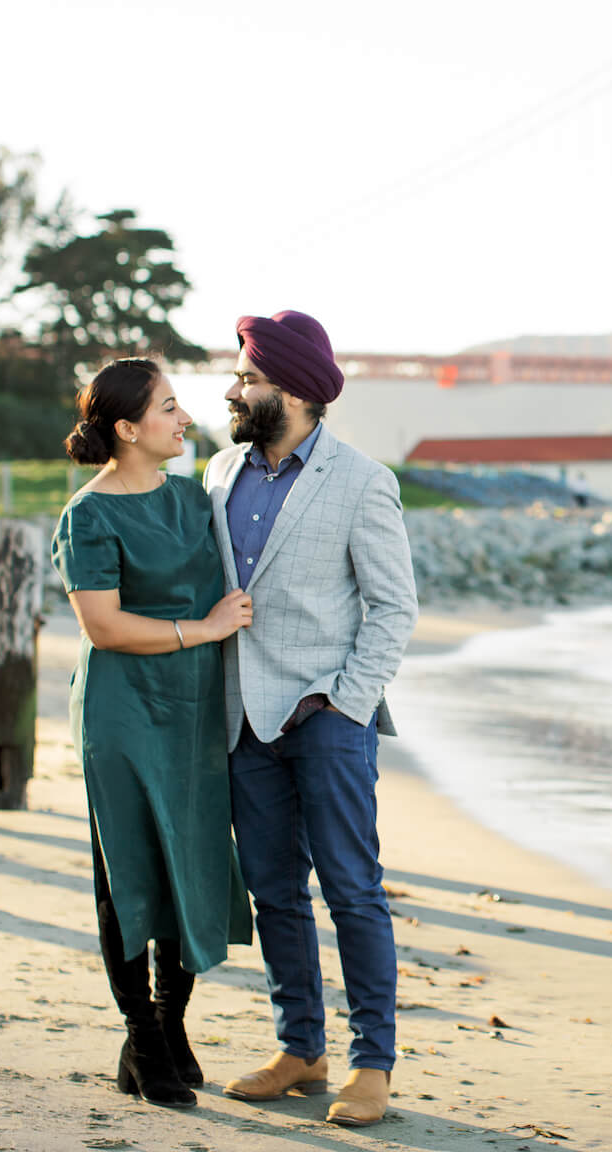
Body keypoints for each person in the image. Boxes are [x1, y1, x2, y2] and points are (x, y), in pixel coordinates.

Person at [205, 310, 418, 1129]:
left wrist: (346, 702)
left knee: (352, 890)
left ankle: (372, 1065)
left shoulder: (364, 481)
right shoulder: (219, 474)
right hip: (243, 717)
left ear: (291, 391)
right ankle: (301, 1048)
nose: (234, 389)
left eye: (248, 378)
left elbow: (393, 607)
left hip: (327, 713)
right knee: (274, 893)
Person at [50, 357, 255, 1110]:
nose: (182, 418)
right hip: (124, 712)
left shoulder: (194, 500)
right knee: (132, 871)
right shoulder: (89, 515)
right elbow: (102, 626)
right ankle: (142, 1035)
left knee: (194, 859)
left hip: (194, 708)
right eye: (169, 407)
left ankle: (171, 1025)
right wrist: (202, 628)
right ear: (129, 428)